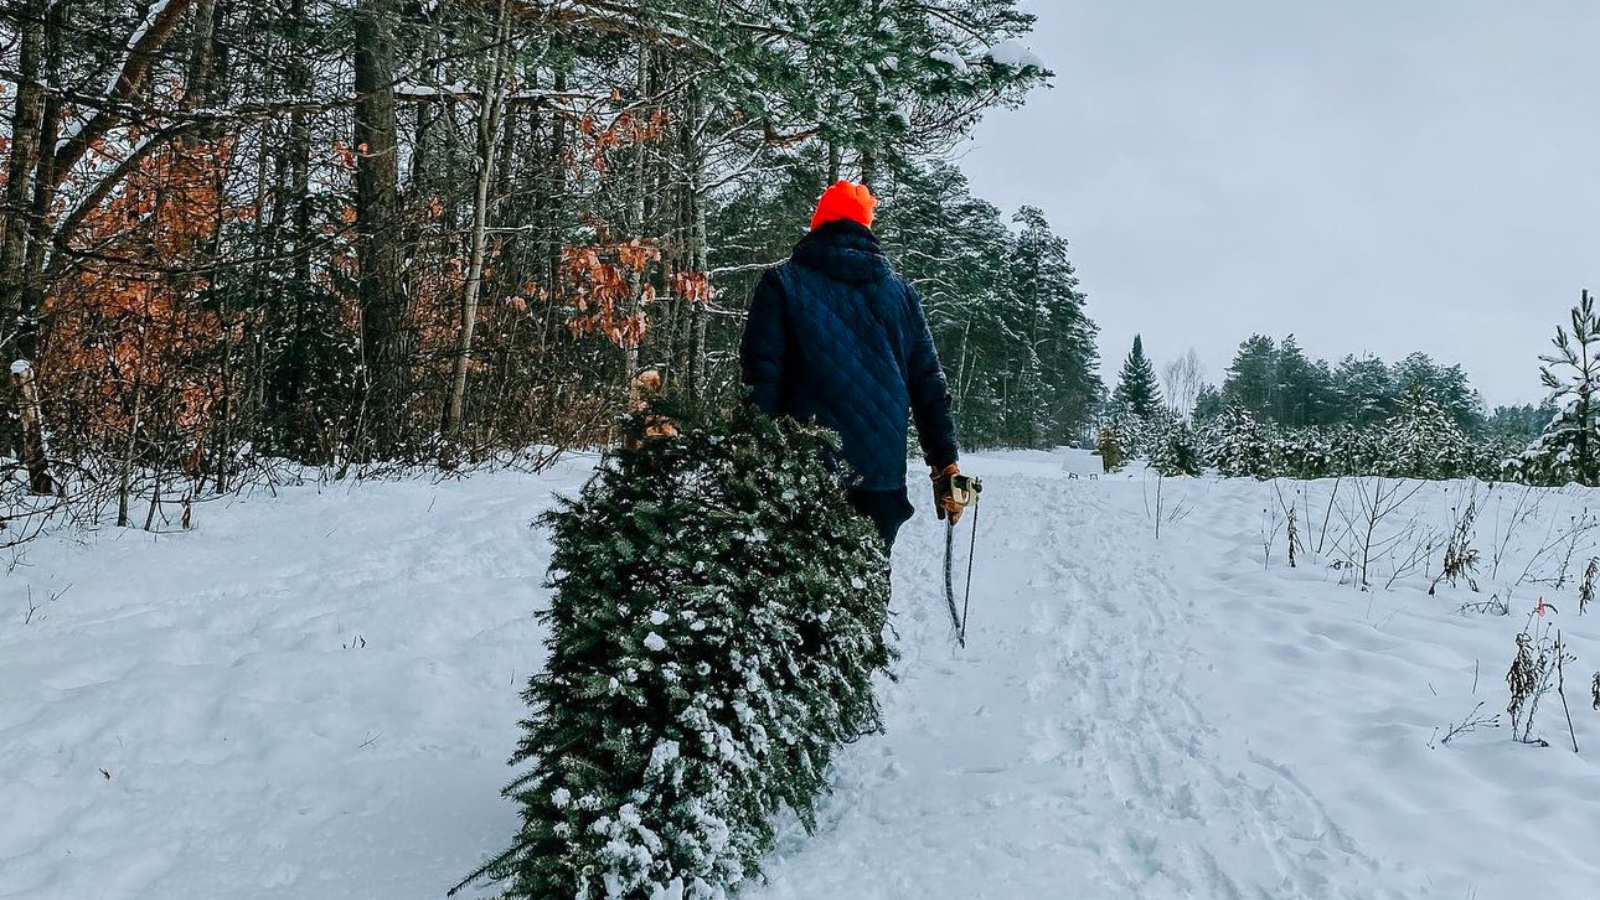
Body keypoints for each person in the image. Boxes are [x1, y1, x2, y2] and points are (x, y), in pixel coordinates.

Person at [739, 179, 965, 551]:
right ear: (865, 227)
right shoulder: (901, 295)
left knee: (796, 596)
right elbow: (928, 386)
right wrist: (945, 464)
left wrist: (750, 460)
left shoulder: (782, 284)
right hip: (881, 479)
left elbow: (761, 378)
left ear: (818, 224)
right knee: (868, 591)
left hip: (802, 475)